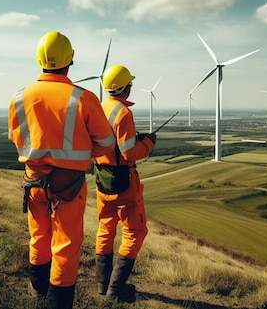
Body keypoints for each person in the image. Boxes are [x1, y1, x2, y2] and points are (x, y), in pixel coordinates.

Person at [8, 31, 115, 309]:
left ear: (39, 60)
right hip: (69, 185)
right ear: (71, 60)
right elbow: (106, 142)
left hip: (33, 182)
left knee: (39, 235)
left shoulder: (19, 97)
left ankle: (37, 288)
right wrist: (80, 156)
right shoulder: (83, 97)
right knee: (66, 244)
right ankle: (58, 302)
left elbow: (15, 137)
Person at [93, 64, 156, 302]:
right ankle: (115, 291)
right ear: (124, 88)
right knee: (134, 232)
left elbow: (110, 144)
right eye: (129, 84)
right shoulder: (123, 113)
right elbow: (129, 153)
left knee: (105, 229)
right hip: (124, 184)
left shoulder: (101, 108)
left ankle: (102, 285)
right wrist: (148, 143)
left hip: (102, 179)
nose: (131, 87)